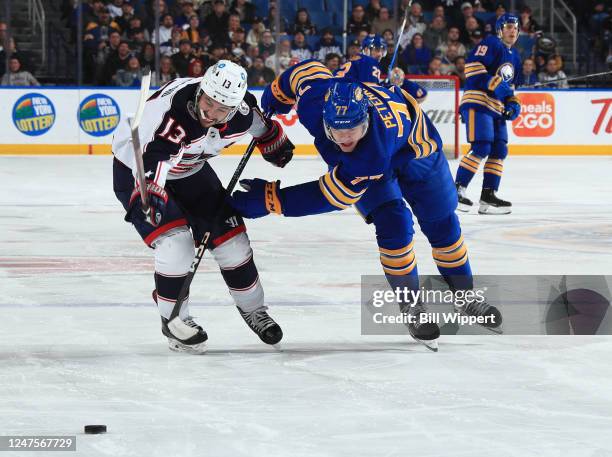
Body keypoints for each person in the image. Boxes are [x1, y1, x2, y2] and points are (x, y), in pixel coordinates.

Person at [231, 60, 503, 350]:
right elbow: (305, 72)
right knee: (394, 226)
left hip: (417, 151)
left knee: (443, 226)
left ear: (368, 120)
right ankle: (411, 306)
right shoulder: (315, 101)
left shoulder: (369, 153)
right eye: (337, 131)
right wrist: (275, 94)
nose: (346, 139)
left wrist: (270, 199)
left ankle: (465, 294)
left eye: (355, 129)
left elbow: (331, 196)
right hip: (379, 156)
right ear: (324, 119)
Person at [111, 60, 294, 353]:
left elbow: (259, 123)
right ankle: (174, 320)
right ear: (201, 91)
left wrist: (274, 141)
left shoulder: (241, 111)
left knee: (233, 242)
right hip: (138, 172)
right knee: (176, 244)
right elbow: (155, 160)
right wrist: (152, 196)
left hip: (189, 171)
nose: (211, 113)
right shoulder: (174, 117)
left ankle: (253, 309)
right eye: (208, 102)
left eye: (222, 109)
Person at [455, 13, 522, 214]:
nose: (513, 31)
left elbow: (510, 89)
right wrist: (498, 86)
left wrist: (513, 103)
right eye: (509, 27)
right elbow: (473, 68)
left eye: (516, 28)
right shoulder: (491, 43)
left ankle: (488, 196)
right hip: (478, 101)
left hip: (496, 107)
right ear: (500, 29)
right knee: (482, 146)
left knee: (499, 150)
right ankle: (456, 190)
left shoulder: (515, 57)